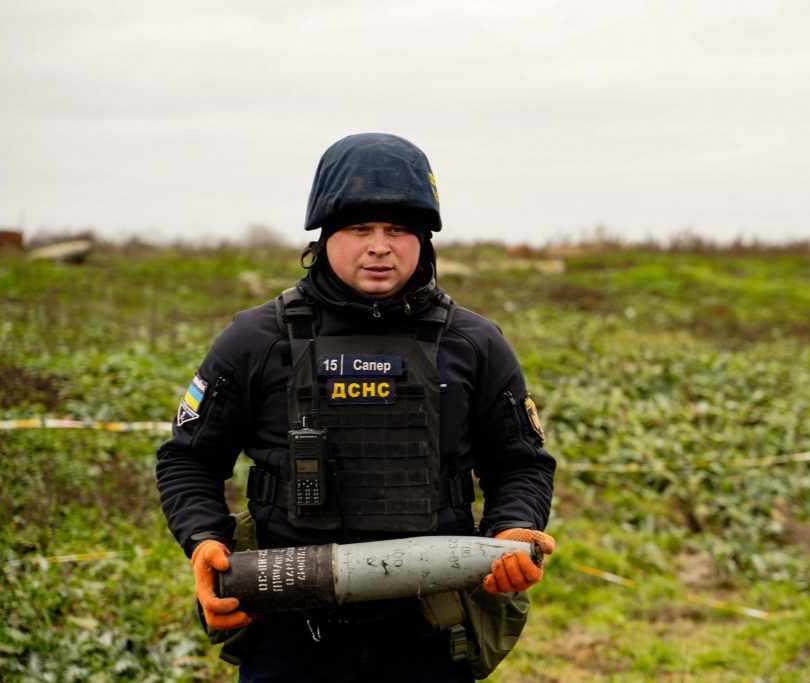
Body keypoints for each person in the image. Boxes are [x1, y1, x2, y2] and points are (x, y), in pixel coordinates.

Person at [155, 132, 556, 682]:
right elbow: (188, 460)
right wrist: (205, 541)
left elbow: (520, 464)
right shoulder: (255, 339)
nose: (379, 246)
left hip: (430, 627)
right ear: (323, 238)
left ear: (424, 241)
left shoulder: (475, 343)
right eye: (359, 229)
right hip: (289, 630)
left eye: (398, 230)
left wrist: (514, 528)